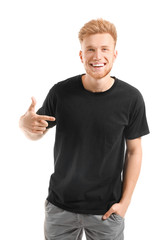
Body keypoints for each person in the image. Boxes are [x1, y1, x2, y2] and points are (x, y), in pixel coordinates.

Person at [19, 18, 150, 240]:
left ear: (114, 54)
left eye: (104, 49)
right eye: (90, 49)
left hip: (107, 211)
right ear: (81, 55)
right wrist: (23, 124)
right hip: (60, 208)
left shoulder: (131, 98)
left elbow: (134, 151)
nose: (97, 56)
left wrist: (125, 203)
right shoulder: (61, 93)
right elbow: (37, 130)